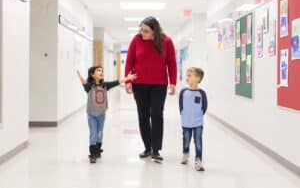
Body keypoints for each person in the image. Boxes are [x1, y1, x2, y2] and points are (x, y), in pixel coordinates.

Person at [125, 16, 177, 163]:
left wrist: (173, 82)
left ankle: (156, 149)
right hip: (139, 84)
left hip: (159, 84)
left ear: (155, 31)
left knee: (156, 114)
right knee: (143, 115)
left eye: (146, 31)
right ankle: (147, 147)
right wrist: (128, 81)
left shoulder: (166, 41)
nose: (143, 33)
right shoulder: (136, 40)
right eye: (141, 30)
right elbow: (129, 61)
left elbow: (171, 63)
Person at [77, 66, 136, 163]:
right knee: (93, 133)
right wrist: (81, 78)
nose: (101, 72)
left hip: (101, 114)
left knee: (99, 133)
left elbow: (116, 82)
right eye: (98, 71)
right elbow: (84, 83)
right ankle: (92, 153)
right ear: (92, 74)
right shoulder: (89, 87)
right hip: (91, 114)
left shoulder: (105, 85)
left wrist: (127, 78)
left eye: (101, 70)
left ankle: (98, 148)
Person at [179, 67, 207, 171]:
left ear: (198, 78)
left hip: (198, 122)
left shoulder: (202, 93)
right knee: (186, 140)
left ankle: (198, 161)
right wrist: (183, 114)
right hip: (186, 122)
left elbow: (204, 107)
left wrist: (199, 116)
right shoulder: (183, 92)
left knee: (198, 141)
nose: (187, 78)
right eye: (187, 75)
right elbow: (180, 105)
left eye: (190, 76)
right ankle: (185, 154)